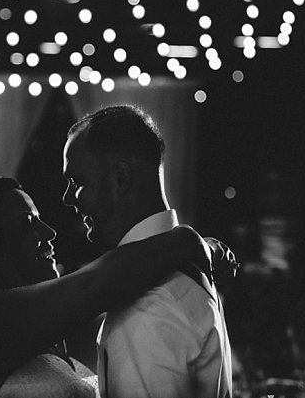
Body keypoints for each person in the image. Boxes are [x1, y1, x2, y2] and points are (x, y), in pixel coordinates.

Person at [0, 177, 227, 398]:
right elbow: (97, 284)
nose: (49, 232)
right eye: (28, 222)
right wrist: (193, 242)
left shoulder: (56, 329)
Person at [62, 104, 233, 398]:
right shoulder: (184, 270)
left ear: (120, 178)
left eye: (77, 183)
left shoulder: (146, 307)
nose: (68, 199)